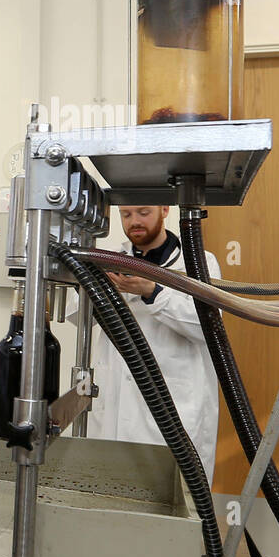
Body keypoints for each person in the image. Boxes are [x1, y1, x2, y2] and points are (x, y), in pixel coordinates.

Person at [83, 205, 220, 483]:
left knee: (173, 507)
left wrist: (151, 291)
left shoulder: (198, 262)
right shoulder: (110, 261)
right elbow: (77, 314)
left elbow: (206, 327)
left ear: (164, 209)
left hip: (175, 414)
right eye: (126, 214)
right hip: (115, 415)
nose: (134, 222)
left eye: (143, 212)